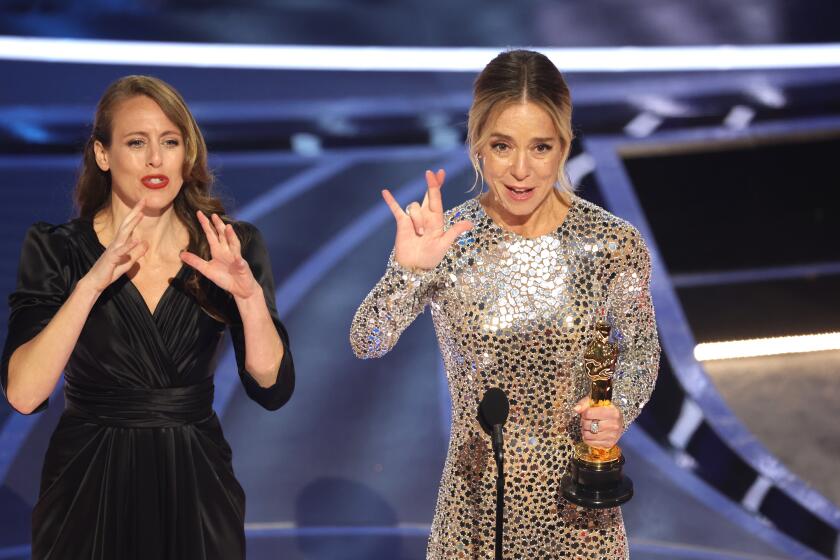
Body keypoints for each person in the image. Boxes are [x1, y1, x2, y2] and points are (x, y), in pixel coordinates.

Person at [350, 50, 659, 559]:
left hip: (580, 513)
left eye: (540, 147)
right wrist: (410, 271)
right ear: (478, 148)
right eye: (501, 146)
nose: (520, 170)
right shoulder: (448, 240)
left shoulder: (610, 243)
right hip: (474, 507)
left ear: (563, 146)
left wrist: (618, 408)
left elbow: (641, 353)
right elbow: (368, 341)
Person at [0, 75, 294, 560]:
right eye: (137, 143)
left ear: (187, 154)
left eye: (170, 142)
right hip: (86, 483)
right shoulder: (56, 248)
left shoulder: (227, 246)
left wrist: (248, 297)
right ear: (102, 154)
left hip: (196, 482)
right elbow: (25, 394)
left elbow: (271, 386)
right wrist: (91, 284)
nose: (156, 160)